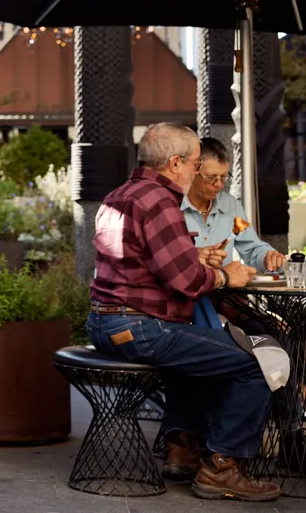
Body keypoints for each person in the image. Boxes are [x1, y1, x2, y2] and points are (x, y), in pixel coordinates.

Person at [86, 123, 280, 503]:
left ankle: (186, 447)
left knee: (195, 348)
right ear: (175, 163)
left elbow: (139, 262)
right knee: (256, 363)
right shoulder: (160, 201)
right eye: (194, 164)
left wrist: (193, 257)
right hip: (139, 327)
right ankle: (222, 467)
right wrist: (227, 275)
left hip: (103, 322)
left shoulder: (120, 195)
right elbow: (188, 282)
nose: (198, 173)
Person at [183, 137, 286, 273]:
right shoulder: (171, 207)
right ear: (192, 172)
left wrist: (268, 257)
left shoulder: (230, 206)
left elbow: (251, 248)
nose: (219, 184)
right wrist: (195, 256)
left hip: (226, 291)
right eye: (211, 177)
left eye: (224, 177)